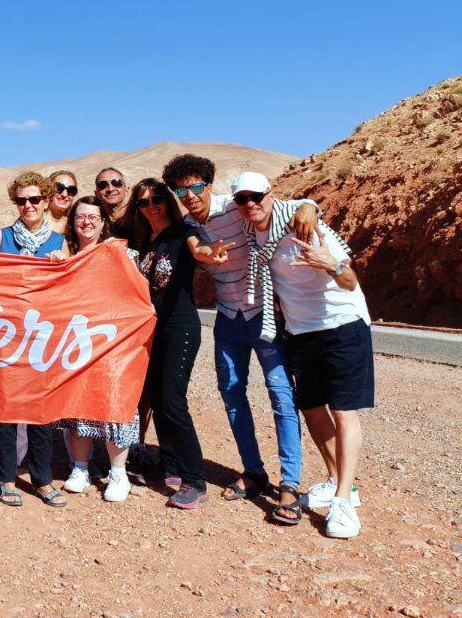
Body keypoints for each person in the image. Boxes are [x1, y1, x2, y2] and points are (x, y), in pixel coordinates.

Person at [162, 154, 317, 525]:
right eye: (182, 189)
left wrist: (310, 206)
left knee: (281, 395)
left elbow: (289, 206)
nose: (190, 194)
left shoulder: (237, 206)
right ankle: (254, 471)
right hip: (227, 318)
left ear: (209, 185)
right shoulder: (186, 224)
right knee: (232, 394)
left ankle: (290, 484)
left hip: (264, 315)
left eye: (197, 186)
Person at [234, 172, 374, 539]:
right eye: (242, 199)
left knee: (343, 412)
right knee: (312, 409)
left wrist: (329, 263)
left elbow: (350, 281)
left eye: (257, 197)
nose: (250, 204)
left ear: (271, 195)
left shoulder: (305, 225)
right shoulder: (254, 235)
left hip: (342, 326)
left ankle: (344, 502)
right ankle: (338, 480)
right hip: (300, 332)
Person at [130, 178, 231, 509]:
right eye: (144, 202)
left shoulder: (181, 231)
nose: (152, 206)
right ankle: (170, 466)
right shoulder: (147, 241)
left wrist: (209, 254)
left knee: (172, 400)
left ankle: (195, 481)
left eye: (157, 198)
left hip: (180, 326)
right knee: (158, 397)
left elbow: (197, 249)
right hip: (153, 328)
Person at [0, 172, 67, 507]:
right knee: (4, 411)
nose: (29, 206)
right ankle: (5, 477)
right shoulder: (0, 237)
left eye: (35, 199)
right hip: (6, 335)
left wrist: (62, 266)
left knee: (41, 412)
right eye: (22, 200)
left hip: (41, 338)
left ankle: (43, 480)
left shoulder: (58, 243)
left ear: (46, 201)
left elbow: (66, 294)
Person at [57, 196, 139, 503]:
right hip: (76, 342)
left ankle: (119, 472)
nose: (86, 222)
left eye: (93, 216)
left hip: (114, 341)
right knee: (77, 403)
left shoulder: (119, 253)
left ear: (103, 222)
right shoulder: (66, 256)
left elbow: (136, 293)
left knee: (115, 402)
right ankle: (80, 468)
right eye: (80, 216)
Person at [94, 167, 133, 240]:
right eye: (102, 185)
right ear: (96, 194)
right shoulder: (93, 222)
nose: (110, 189)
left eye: (116, 183)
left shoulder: (140, 215)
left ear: (127, 190)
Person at [47, 169, 79, 241]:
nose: (64, 195)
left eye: (71, 190)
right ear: (48, 189)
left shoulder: (76, 224)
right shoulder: (35, 221)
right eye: (59, 188)